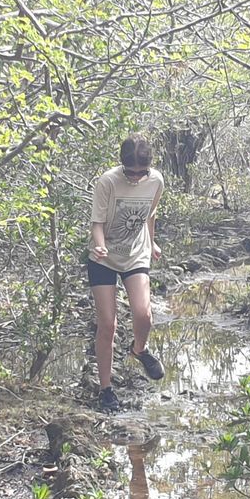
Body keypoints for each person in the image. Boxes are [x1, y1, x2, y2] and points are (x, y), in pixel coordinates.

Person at [88, 134, 165, 412]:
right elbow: (97, 223)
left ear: (149, 167)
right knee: (108, 324)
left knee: (144, 314)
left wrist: (152, 240)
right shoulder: (107, 182)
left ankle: (139, 350)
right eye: (130, 173)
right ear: (122, 166)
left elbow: (150, 214)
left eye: (140, 173)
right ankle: (106, 389)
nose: (134, 178)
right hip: (104, 258)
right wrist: (99, 246)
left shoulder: (156, 180)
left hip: (136, 253)